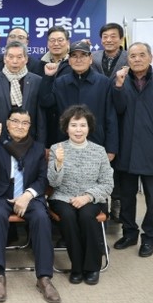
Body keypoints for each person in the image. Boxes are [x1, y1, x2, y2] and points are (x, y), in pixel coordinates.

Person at [0, 107, 60, 303]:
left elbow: (42, 179)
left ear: (30, 126)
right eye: (15, 121)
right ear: (7, 124)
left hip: (28, 197)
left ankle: (44, 278)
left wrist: (27, 195)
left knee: (42, 218)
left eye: (25, 123)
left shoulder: (37, 148)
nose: (20, 126)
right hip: (1, 195)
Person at [111, 42, 153, 258]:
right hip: (126, 149)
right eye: (133, 56)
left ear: (150, 57)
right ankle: (129, 233)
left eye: (142, 55)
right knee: (126, 197)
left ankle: (150, 237)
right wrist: (118, 87)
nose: (137, 59)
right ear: (127, 60)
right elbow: (117, 111)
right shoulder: (120, 82)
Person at [48, 105, 113, 285]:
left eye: (83, 125)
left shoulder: (99, 151)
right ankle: (76, 267)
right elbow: (53, 183)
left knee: (86, 215)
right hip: (63, 196)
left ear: (89, 128)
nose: (78, 130)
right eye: (74, 125)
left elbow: (107, 184)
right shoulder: (57, 148)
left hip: (91, 197)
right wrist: (58, 164)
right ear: (66, 128)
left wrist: (87, 197)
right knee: (68, 216)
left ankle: (92, 267)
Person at [39, 41, 118, 157]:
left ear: (90, 59)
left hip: (96, 143)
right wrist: (48, 77)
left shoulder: (104, 82)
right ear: (69, 60)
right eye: (74, 56)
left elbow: (111, 117)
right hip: (65, 144)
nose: (78, 60)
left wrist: (111, 148)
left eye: (83, 55)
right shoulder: (60, 82)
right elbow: (45, 102)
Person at [91, 22, 128, 221]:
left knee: (118, 162)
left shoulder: (129, 58)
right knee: (99, 161)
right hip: (99, 114)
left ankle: (118, 202)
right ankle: (101, 202)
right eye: (105, 36)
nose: (109, 40)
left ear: (121, 39)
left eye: (113, 36)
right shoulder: (94, 57)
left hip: (123, 114)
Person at [0, 41, 45, 145]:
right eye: (11, 57)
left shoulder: (37, 81)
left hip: (28, 138)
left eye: (19, 57)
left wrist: (41, 141)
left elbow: (40, 115)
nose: (15, 61)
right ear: (5, 59)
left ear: (26, 59)